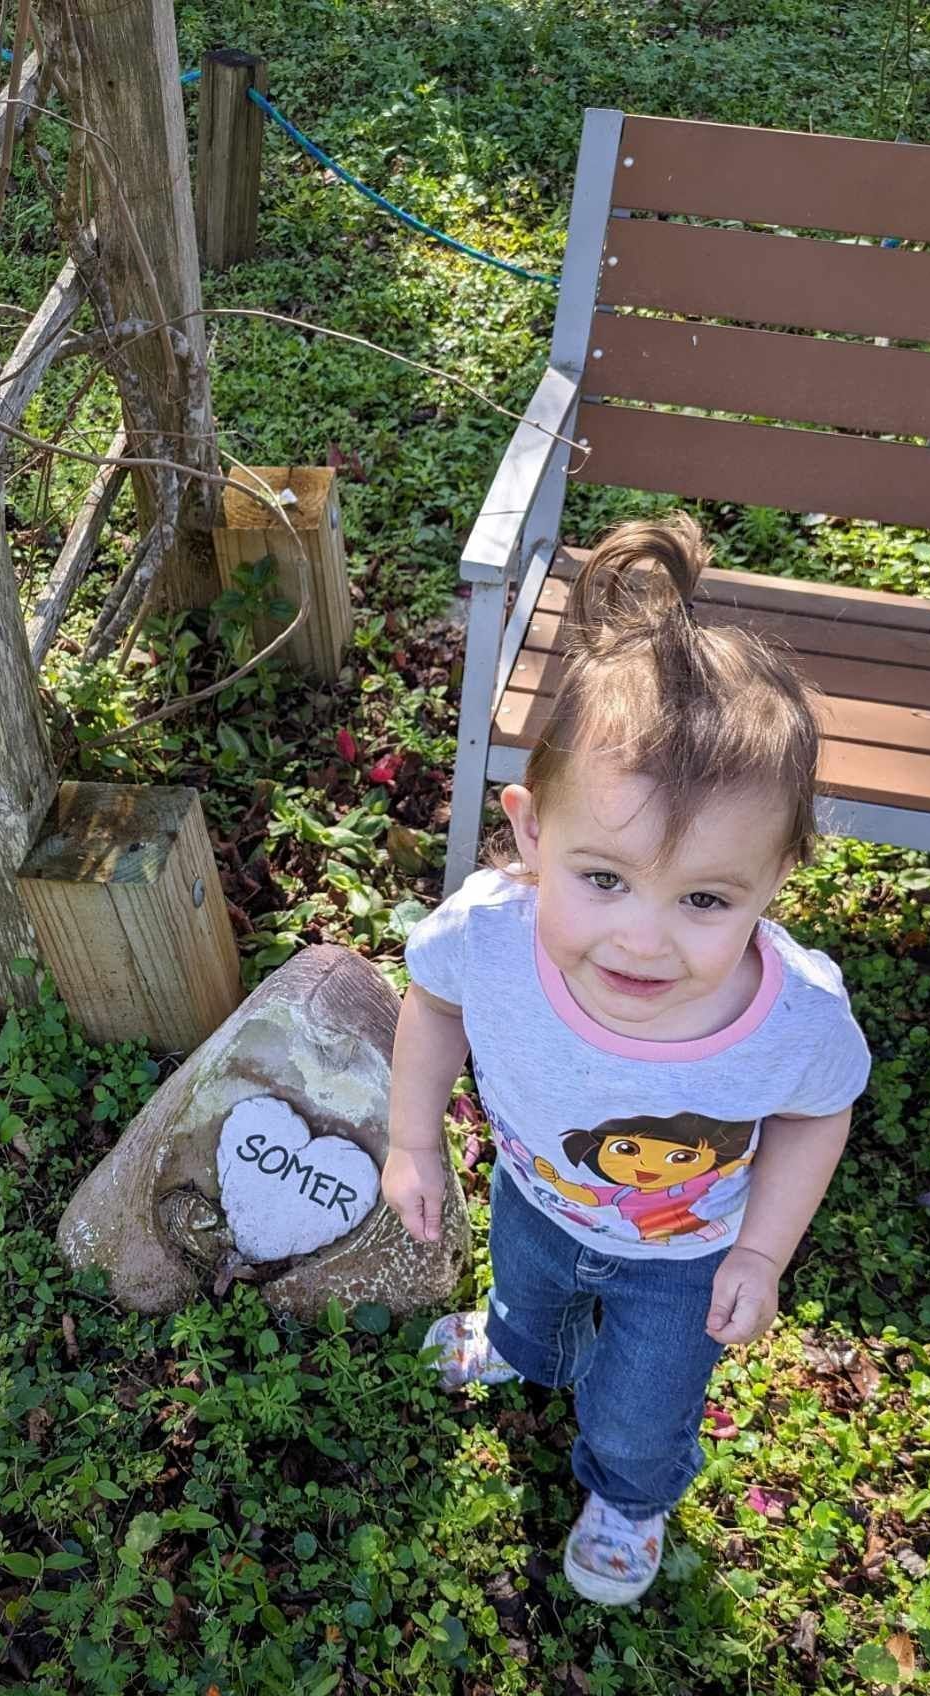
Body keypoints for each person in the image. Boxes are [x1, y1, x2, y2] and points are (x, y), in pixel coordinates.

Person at [383, 513, 870, 1607]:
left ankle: (629, 1493)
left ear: (778, 875)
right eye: (603, 879)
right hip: (532, 1194)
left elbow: (817, 1112)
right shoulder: (489, 934)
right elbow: (435, 1002)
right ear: (531, 832)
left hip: (684, 1256)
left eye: (704, 899)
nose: (642, 940)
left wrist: (761, 1253)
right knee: (528, 1301)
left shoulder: (792, 1019)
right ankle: (523, 1348)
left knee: (644, 1404)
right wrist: (410, 1138)